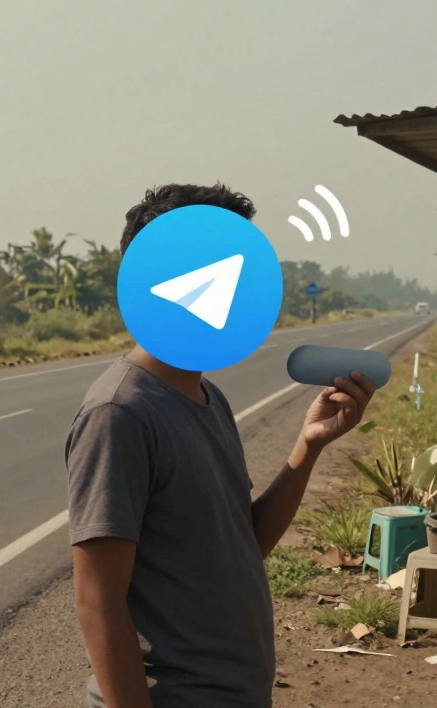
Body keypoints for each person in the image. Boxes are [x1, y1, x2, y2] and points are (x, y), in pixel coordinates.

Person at [65, 183, 376, 708]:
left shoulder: (207, 396)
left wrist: (309, 445)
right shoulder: (119, 415)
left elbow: (242, 544)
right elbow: (97, 599)